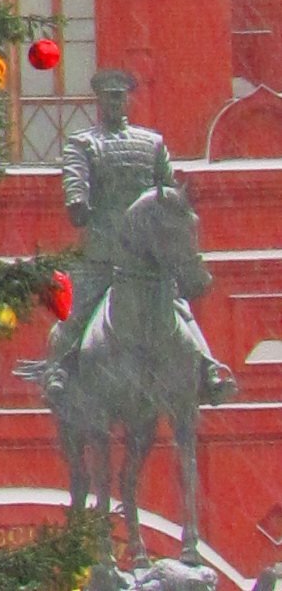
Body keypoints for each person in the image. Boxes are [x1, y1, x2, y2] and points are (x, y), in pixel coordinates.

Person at [55, 69, 234, 402]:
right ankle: (59, 373)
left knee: (178, 306)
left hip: (147, 254)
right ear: (99, 100)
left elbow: (169, 195)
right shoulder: (82, 144)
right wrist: (78, 200)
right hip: (102, 252)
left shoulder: (152, 143)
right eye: (109, 96)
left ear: (127, 99)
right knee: (76, 313)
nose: (115, 102)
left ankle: (208, 368)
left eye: (119, 96)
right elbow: (76, 185)